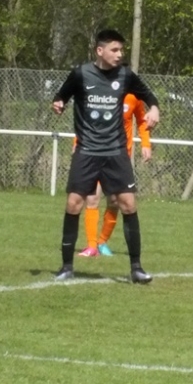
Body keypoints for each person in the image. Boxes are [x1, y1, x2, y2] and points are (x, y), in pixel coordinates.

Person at [52, 29, 160, 283]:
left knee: (128, 204)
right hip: (87, 150)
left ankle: (136, 269)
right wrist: (58, 103)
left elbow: (148, 95)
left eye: (121, 50)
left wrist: (154, 109)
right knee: (73, 204)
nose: (119, 54)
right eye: (114, 50)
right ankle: (67, 267)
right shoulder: (81, 74)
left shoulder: (125, 76)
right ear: (100, 51)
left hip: (115, 152)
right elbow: (61, 95)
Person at [78, 93, 153, 258]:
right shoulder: (101, 92)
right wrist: (78, 143)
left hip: (119, 158)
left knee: (114, 201)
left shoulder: (133, 96)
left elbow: (142, 120)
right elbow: (86, 120)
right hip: (96, 153)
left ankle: (102, 242)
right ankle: (91, 246)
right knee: (92, 198)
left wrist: (146, 144)